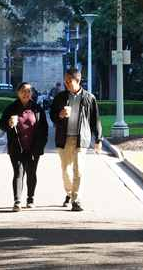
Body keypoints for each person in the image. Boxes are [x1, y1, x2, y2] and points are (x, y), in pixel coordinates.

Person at [49, 67, 102, 212]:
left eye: (69, 81)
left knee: (78, 170)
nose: (66, 83)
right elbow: (52, 115)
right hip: (63, 138)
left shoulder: (89, 98)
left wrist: (98, 139)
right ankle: (69, 193)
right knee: (65, 171)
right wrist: (59, 115)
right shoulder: (60, 97)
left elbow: (95, 120)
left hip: (81, 139)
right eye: (65, 81)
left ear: (77, 81)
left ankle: (76, 200)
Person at [0, 82, 49, 211]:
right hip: (16, 146)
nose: (26, 94)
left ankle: (30, 198)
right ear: (18, 93)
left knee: (31, 173)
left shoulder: (37, 108)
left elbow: (44, 129)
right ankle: (17, 201)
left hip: (33, 147)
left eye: (29, 91)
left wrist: (41, 145)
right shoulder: (11, 108)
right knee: (18, 173)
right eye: (23, 91)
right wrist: (9, 123)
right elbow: (1, 124)